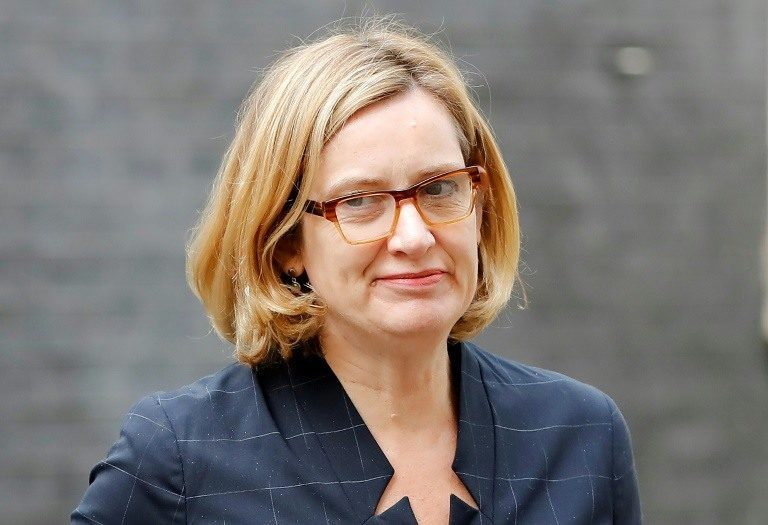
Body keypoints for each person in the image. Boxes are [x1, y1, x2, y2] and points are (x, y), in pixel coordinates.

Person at [72, 19, 641, 524]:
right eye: (360, 201)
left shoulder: (580, 435)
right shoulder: (180, 457)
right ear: (285, 242)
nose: (415, 237)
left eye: (440, 189)